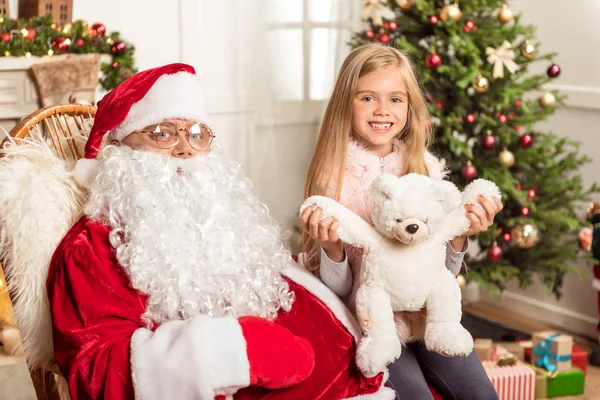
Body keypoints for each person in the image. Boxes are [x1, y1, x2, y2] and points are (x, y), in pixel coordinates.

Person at [45, 64, 395, 399]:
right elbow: (97, 369)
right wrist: (234, 350)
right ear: (122, 148)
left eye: (197, 134)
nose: (184, 149)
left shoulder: (223, 218)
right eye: (163, 133)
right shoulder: (90, 247)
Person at [300, 43, 502, 400]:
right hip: (373, 324)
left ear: (410, 107)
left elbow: (443, 268)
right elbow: (340, 290)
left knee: (480, 393)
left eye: (396, 99)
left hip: (427, 318)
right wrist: (332, 249)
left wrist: (459, 236)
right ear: (345, 103)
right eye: (367, 98)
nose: (382, 110)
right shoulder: (333, 181)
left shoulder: (425, 170)